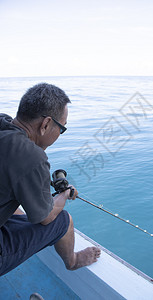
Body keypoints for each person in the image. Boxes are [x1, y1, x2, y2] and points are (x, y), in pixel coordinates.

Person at [0, 83, 101, 276]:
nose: (59, 135)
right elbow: (45, 218)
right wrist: (63, 194)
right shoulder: (31, 156)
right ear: (46, 124)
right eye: (61, 129)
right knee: (62, 220)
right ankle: (72, 261)